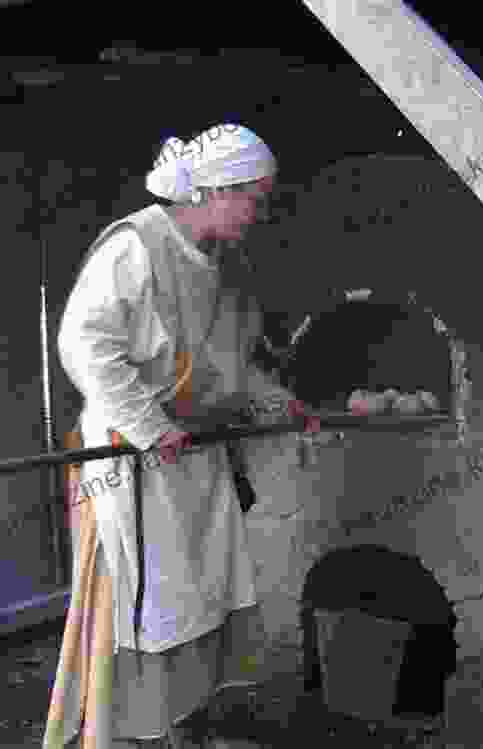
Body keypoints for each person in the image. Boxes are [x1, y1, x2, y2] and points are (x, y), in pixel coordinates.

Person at [43, 123, 294, 749]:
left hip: (194, 458)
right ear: (215, 189)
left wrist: (283, 405)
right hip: (132, 460)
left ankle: (184, 730)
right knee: (145, 603)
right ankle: (119, 736)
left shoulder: (219, 265)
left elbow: (228, 365)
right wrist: (151, 429)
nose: (259, 214)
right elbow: (84, 346)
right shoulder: (138, 246)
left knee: (204, 600)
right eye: (254, 199)